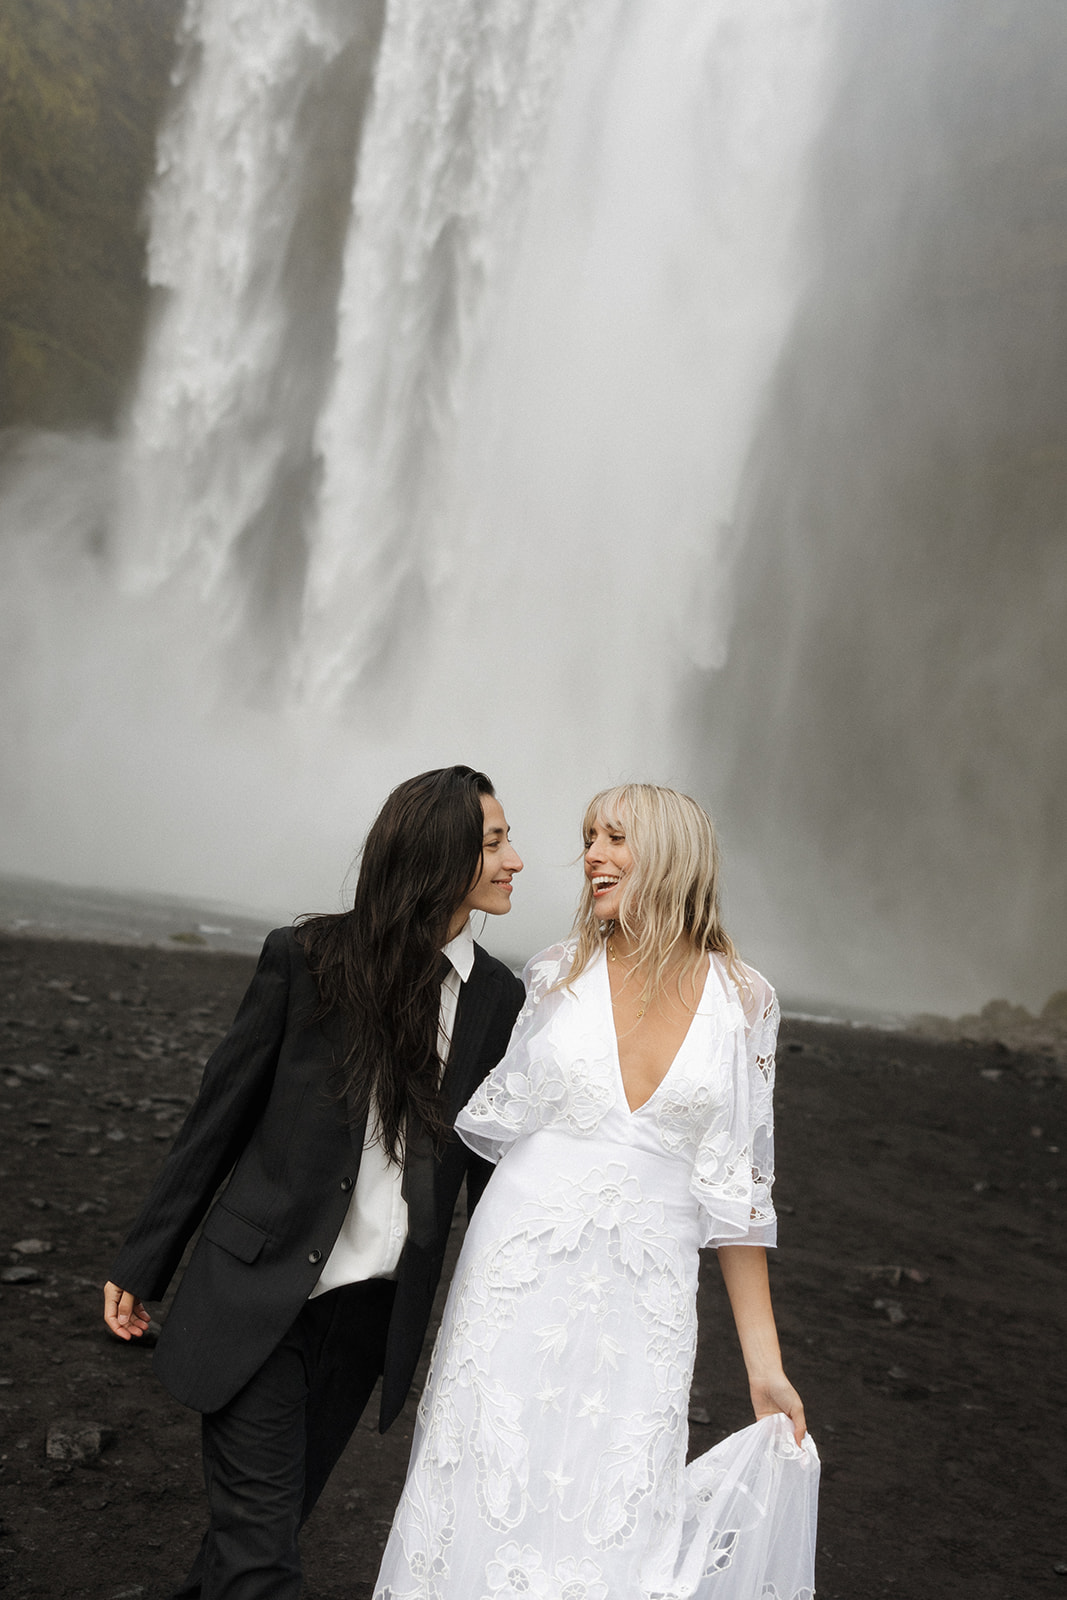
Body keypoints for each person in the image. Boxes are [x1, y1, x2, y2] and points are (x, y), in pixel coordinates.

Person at [373, 783, 819, 1600]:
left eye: (614, 838)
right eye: (588, 837)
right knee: (481, 1477)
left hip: (643, 1295)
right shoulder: (555, 972)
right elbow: (463, 1140)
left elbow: (739, 1198)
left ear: (672, 855)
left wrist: (766, 1366)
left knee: (615, 1497)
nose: (590, 855)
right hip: (516, 1272)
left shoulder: (744, 1002)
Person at [102, 765, 525, 1600]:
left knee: (250, 1545)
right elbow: (216, 1120)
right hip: (258, 1295)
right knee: (262, 1564)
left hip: (369, 1322)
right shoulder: (305, 959)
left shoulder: (496, 999)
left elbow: (491, 1176)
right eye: (494, 842)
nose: (516, 859)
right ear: (438, 856)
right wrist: (143, 1260)